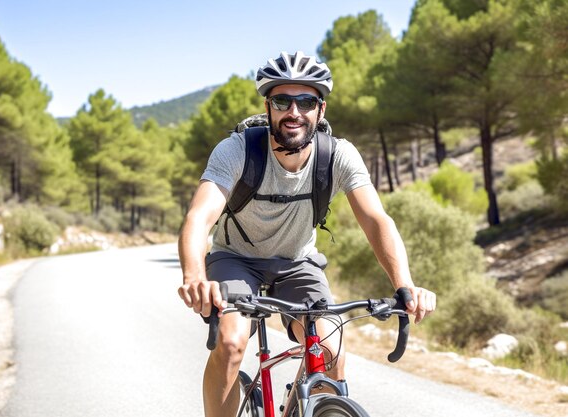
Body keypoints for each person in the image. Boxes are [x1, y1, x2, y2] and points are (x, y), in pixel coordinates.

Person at [177, 51, 437, 417]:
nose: (294, 112)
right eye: (282, 100)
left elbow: (377, 220)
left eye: (306, 101)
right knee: (232, 342)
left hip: (298, 262)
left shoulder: (339, 156)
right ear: (268, 106)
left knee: (330, 349)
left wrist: (405, 284)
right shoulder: (237, 150)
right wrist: (194, 278)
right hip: (236, 260)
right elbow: (198, 217)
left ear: (321, 109)